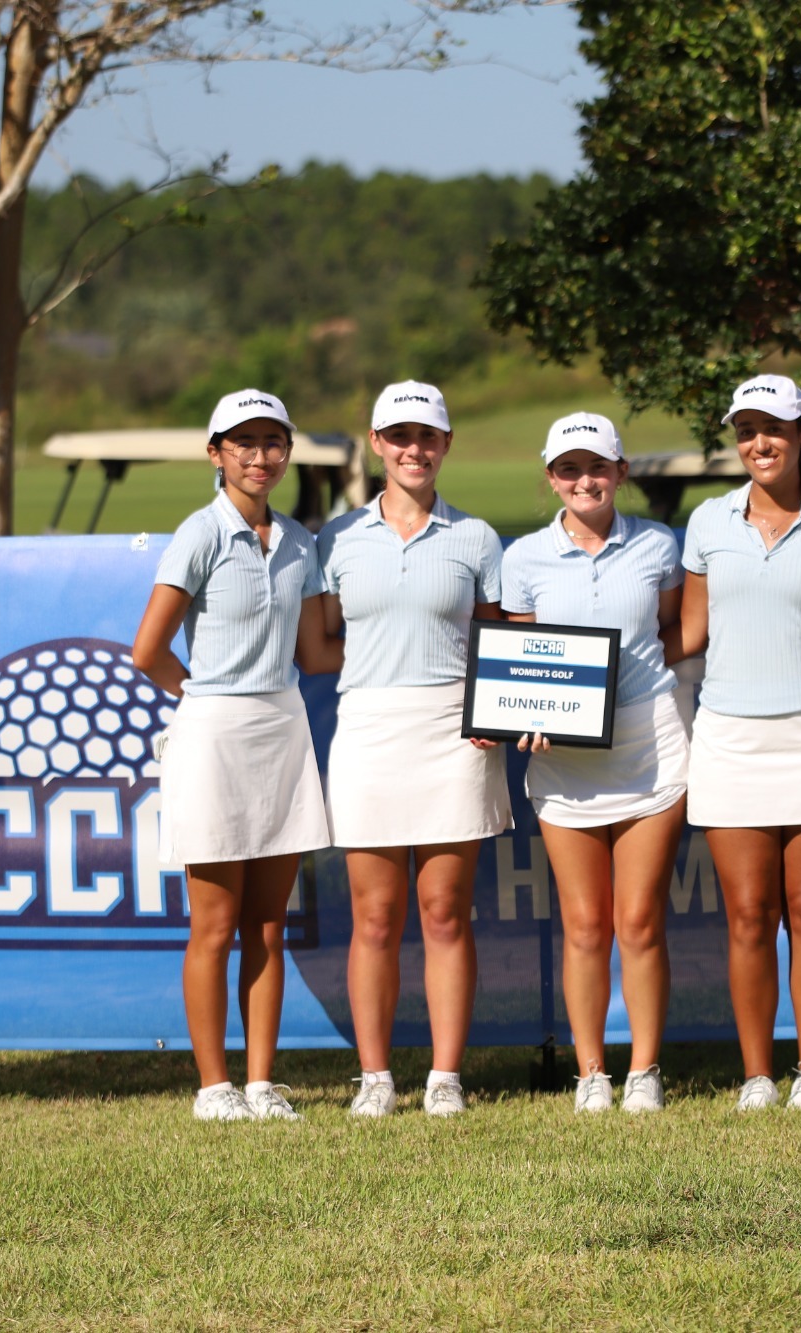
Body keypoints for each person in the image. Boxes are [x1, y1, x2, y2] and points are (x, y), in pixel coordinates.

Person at [131, 389, 340, 1125]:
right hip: (215, 731)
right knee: (213, 926)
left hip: (282, 728)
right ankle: (213, 1087)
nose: (260, 456)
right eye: (243, 442)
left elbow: (316, 651)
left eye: (272, 441)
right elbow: (148, 651)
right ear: (215, 453)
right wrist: (204, 699)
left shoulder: (301, 543)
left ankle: (259, 1083)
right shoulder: (199, 533)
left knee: (269, 925)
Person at [318, 380, 511, 1118]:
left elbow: (498, 643)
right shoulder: (334, 539)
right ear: (377, 444)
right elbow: (318, 643)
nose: (413, 450)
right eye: (399, 437)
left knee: (444, 911)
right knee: (374, 916)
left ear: (446, 444)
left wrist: (497, 706)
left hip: (453, 734)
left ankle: (444, 1078)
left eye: (427, 437)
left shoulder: (477, 537)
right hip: (367, 728)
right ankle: (375, 1077)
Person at [679, 374, 801, 1111]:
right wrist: (584, 677)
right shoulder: (706, 523)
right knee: (750, 913)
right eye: (747, 429)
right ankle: (758, 1074)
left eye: (775, 428)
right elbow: (690, 634)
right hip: (729, 739)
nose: (760, 443)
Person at [498, 413, 688, 1114]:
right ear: (551, 477)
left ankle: (643, 1069)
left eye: (598, 467)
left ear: (621, 472)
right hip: (566, 760)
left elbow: (670, 630)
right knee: (584, 924)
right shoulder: (522, 559)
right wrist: (533, 717)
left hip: (648, 743)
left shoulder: (659, 546)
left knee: (639, 921)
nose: (585, 481)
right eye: (570, 469)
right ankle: (591, 1073)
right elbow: (523, 665)